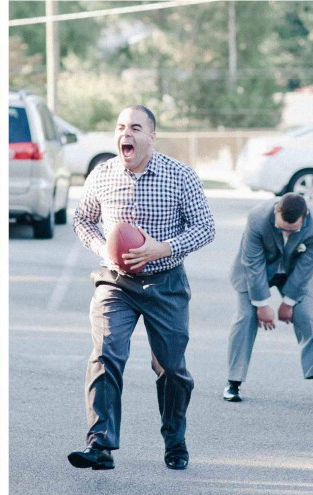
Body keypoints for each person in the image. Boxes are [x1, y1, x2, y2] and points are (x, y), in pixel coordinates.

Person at [70, 105, 215, 471]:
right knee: (105, 354)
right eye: (120, 127)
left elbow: (205, 227)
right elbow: (82, 219)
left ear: (152, 135)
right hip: (115, 282)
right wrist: (104, 249)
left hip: (165, 282)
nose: (126, 134)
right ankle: (100, 444)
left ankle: (174, 437)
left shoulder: (180, 176)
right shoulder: (102, 174)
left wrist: (162, 248)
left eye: (135, 127)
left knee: (171, 369)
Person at [224, 192, 313, 401]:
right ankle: (233, 383)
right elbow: (252, 263)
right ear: (275, 212)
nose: (287, 233)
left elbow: (307, 265)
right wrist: (262, 305)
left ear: (305, 216)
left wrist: (289, 302)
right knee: (246, 317)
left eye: (293, 230)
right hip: (256, 269)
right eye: (282, 228)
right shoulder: (257, 217)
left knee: (308, 316)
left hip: (295, 270)